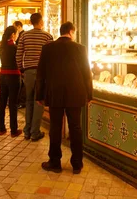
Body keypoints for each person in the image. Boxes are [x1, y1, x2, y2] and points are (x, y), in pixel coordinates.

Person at [37, 22, 92, 174]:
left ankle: (55, 162)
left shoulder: (48, 48)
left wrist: (39, 95)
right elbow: (87, 73)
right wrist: (89, 94)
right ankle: (77, 164)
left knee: (55, 127)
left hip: (54, 93)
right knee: (75, 128)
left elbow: (41, 73)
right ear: (70, 32)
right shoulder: (80, 49)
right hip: (76, 93)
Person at [16, 13, 53, 141]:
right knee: (39, 102)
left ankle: (27, 131)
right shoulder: (47, 36)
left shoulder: (24, 35)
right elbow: (50, 56)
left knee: (29, 101)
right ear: (41, 21)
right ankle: (35, 132)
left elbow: (19, 54)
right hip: (41, 73)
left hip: (28, 72)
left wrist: (21, 69)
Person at [0, 25, 22, 137]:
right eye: (16, 34)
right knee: (13, 104)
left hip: (2, 76)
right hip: (13, 77)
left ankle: (1, 128)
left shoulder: (2, 45)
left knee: (2, 103)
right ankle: (13, 130)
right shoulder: (14, 47)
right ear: (13, 35)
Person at [13, 21, 26, 109]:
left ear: (19, 27)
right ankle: (19, 101)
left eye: (15, 27)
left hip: (22, 64)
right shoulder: (21, 35)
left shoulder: (23, 35)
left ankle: (21, 101)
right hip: (21, 64)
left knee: (22, 84)